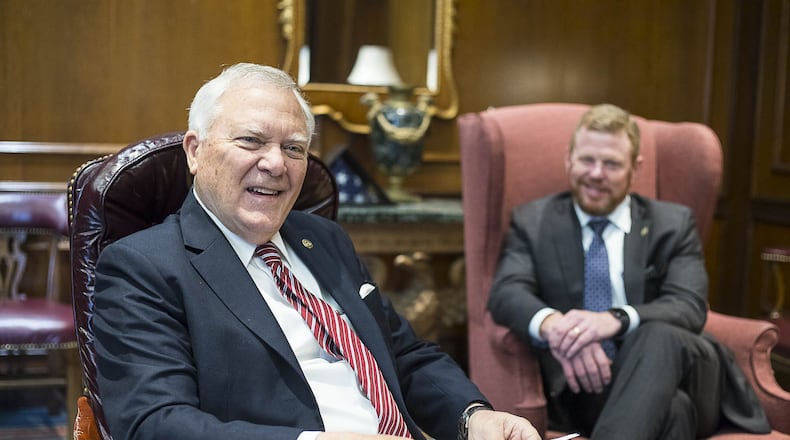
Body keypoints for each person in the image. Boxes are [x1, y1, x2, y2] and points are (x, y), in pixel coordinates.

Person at [92, 63, 539, 440]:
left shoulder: (324, 239)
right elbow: (155, 423)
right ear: (196, 151)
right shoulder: (144, 266)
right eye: (251, 141)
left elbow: (403, 354)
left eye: (294, 148)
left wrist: (474, 416)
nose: (275, 163)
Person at [488, 104, 770, 439]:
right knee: (675, 411)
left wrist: (614, 319)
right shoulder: (534, 222)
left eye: (611, 164)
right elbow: (506, 292)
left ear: (635, 168)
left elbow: (689, 306)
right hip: (592, 385)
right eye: (587, 160)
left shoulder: (672, 224)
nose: (596, 173)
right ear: (569, 158)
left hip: (691, 374)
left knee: (656, 334)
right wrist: (561, 329)